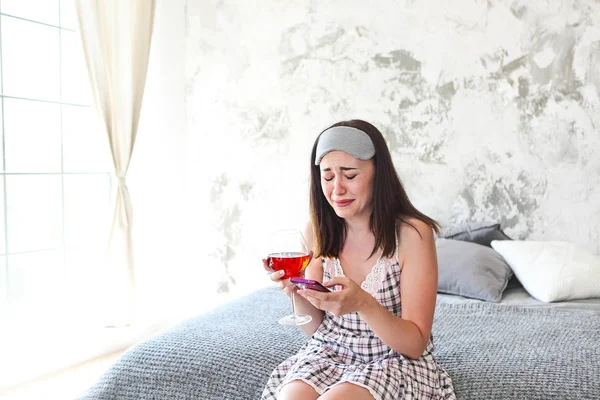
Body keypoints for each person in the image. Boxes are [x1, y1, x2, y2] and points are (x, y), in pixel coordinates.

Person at [261, 120, 456, 400]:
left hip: (392, 359)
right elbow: (316, 327)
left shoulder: (412, 235)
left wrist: (363, 303)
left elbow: (414, 344)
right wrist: (294, 291)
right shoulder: (317, 231)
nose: (337, 189)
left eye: (350, 175)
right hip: (330, 352)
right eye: (327, 177)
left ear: (378, 174)